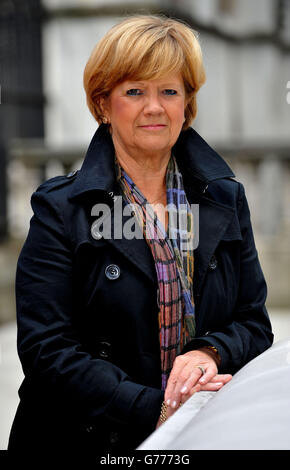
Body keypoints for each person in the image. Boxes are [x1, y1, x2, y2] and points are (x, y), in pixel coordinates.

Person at [8, 15, 273, 459]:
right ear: (104, 105)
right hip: (86, 439)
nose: (155, 107)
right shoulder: (60, 208)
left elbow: (253, 322)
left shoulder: (224, 199)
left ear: (187, 104)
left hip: (198, 433)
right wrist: (157, 407)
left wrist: (209, 351)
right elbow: (46, 350)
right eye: (135, 91)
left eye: (169, 91)